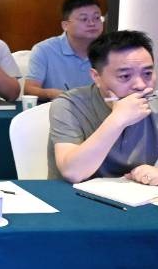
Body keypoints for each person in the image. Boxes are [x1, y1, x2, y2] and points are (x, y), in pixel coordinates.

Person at [49, 30, 158, 183]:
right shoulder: (69, 105)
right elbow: (73, 172)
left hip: (137, 194)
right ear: (96, 77)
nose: (140, 85)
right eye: (125, 76)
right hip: (74, 194)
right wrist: (118, 119)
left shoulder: (154, 102)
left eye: (147, 74)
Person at [25, 0, 104, 101]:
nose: (92, 23)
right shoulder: (44, 50)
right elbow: (29, 89)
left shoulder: (110, 50)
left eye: (97, 18)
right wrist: (51, 93)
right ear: (65, 25)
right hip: (56, 107)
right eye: (84, 19)